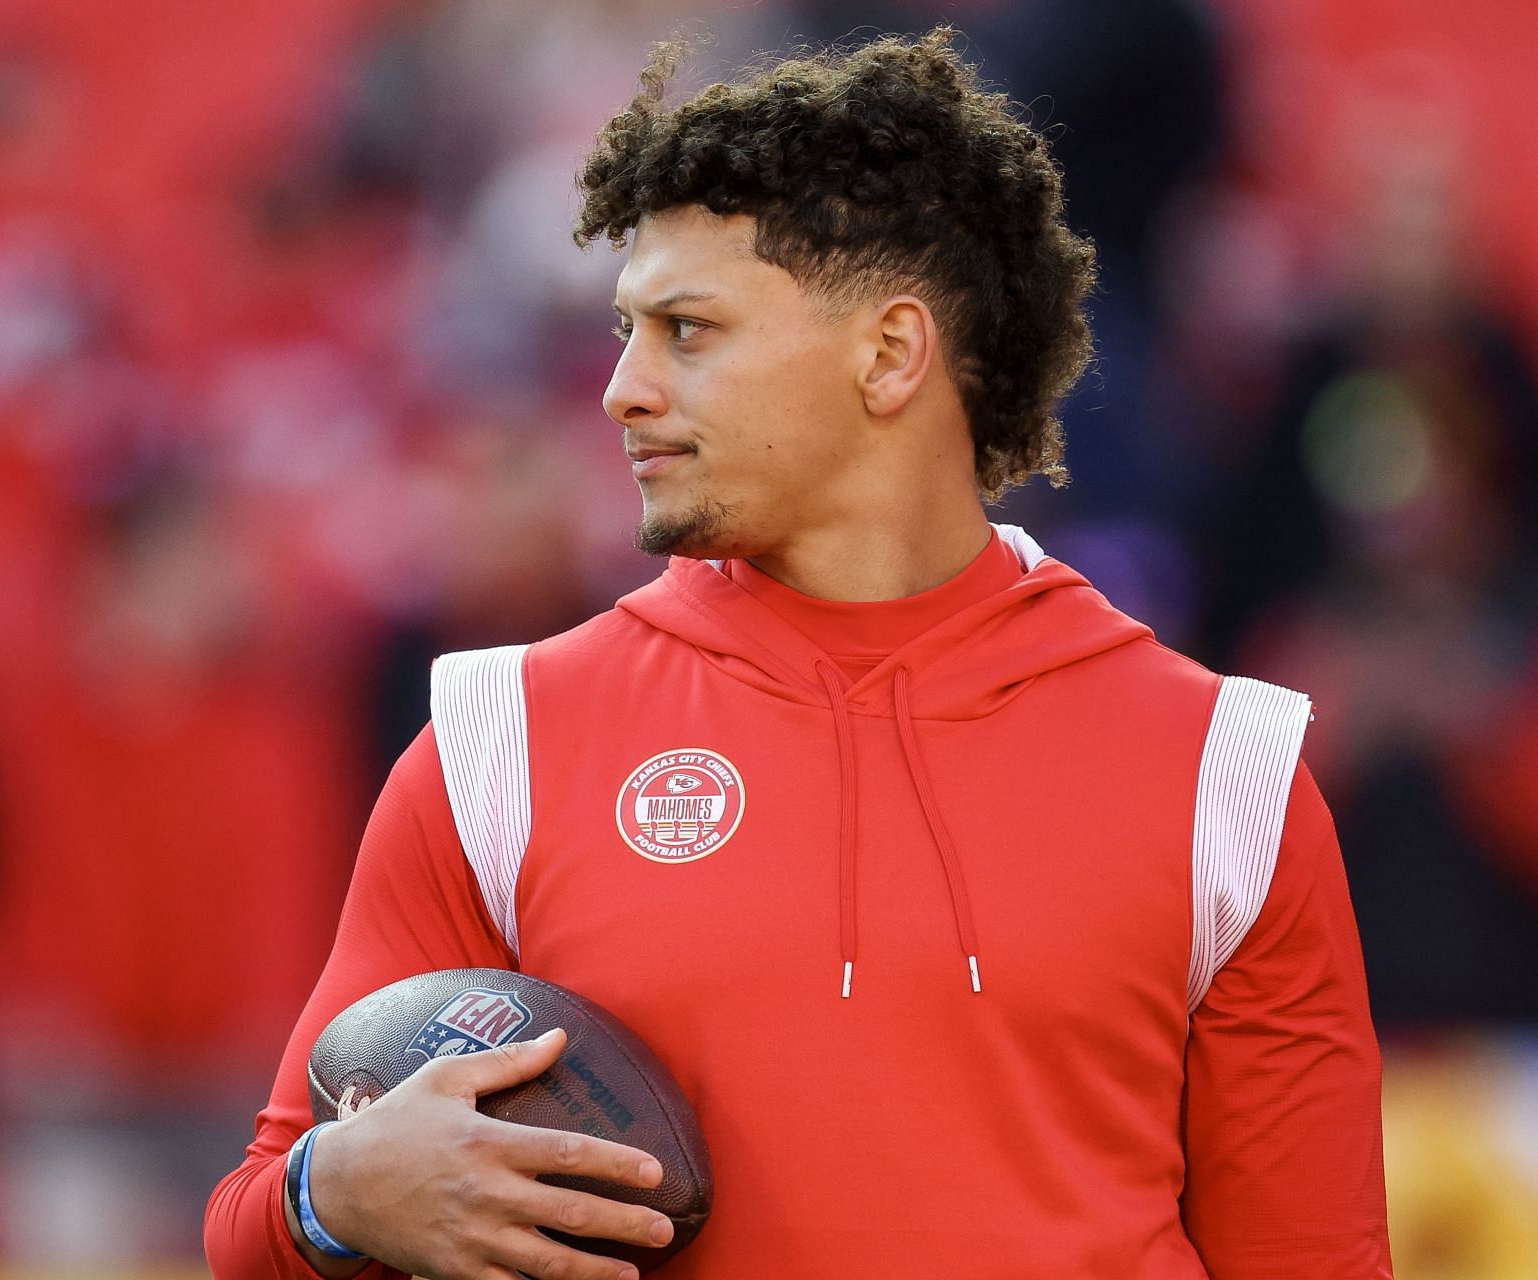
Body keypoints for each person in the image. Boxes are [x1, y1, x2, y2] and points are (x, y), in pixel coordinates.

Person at [204, 29, 1391, 1279]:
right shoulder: (496, 741)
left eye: (687, 330)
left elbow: (1312, 1257)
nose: (621, 388)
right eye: (624, 328)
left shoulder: (1222, 768)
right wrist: (332, 1193)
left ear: (889, 354)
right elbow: (253, 1225)